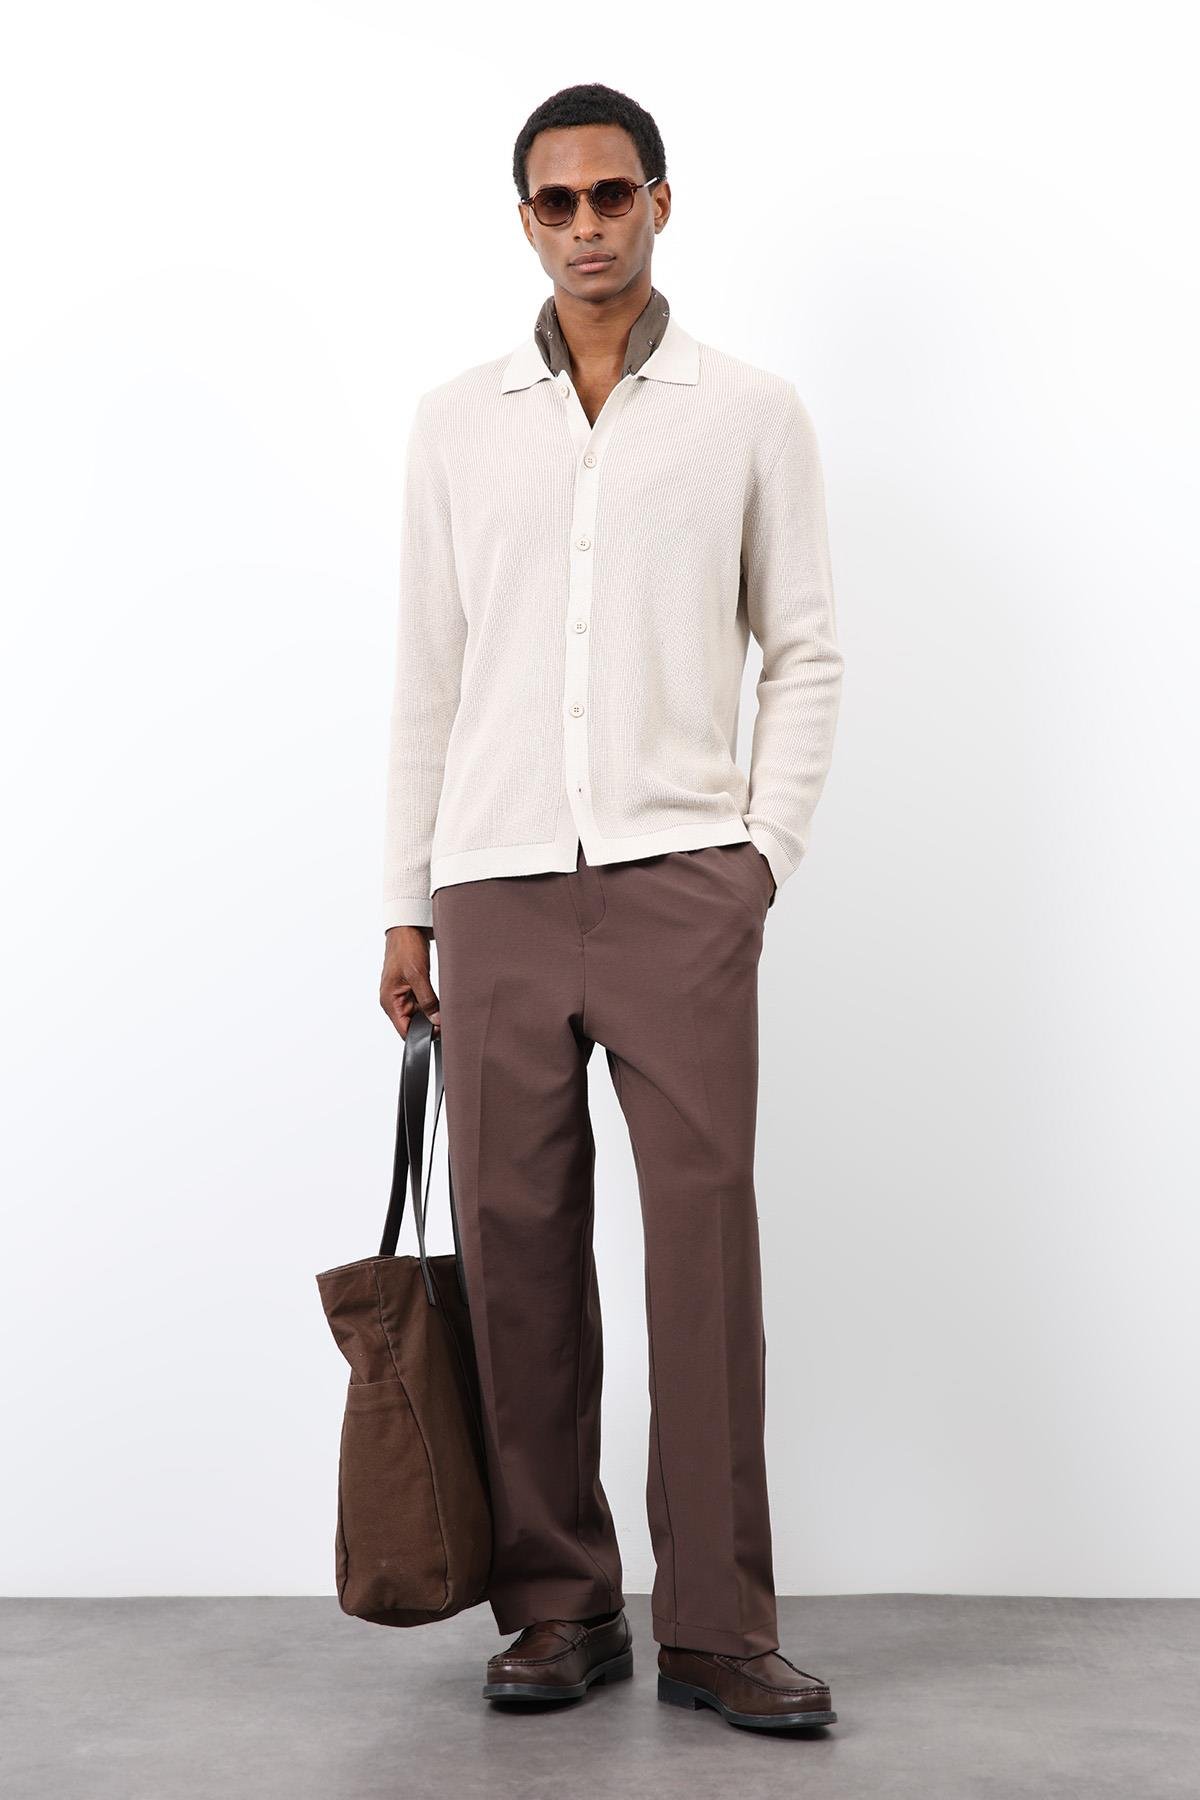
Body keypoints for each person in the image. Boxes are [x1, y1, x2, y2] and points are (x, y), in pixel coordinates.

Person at [378, 81, 844, 1734]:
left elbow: (807, 650)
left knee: (702, 1252)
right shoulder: (456, 422)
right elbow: (427, 674)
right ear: (525, 220)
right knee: (515, 1254)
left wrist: (759, 856)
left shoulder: (750, 412)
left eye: (612, 194)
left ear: (659, 202)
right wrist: (405, 903)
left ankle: (717, 1624)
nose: (587, 224)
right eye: (557, 201)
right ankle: (561, 1608)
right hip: (494, 891)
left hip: (682, 886)